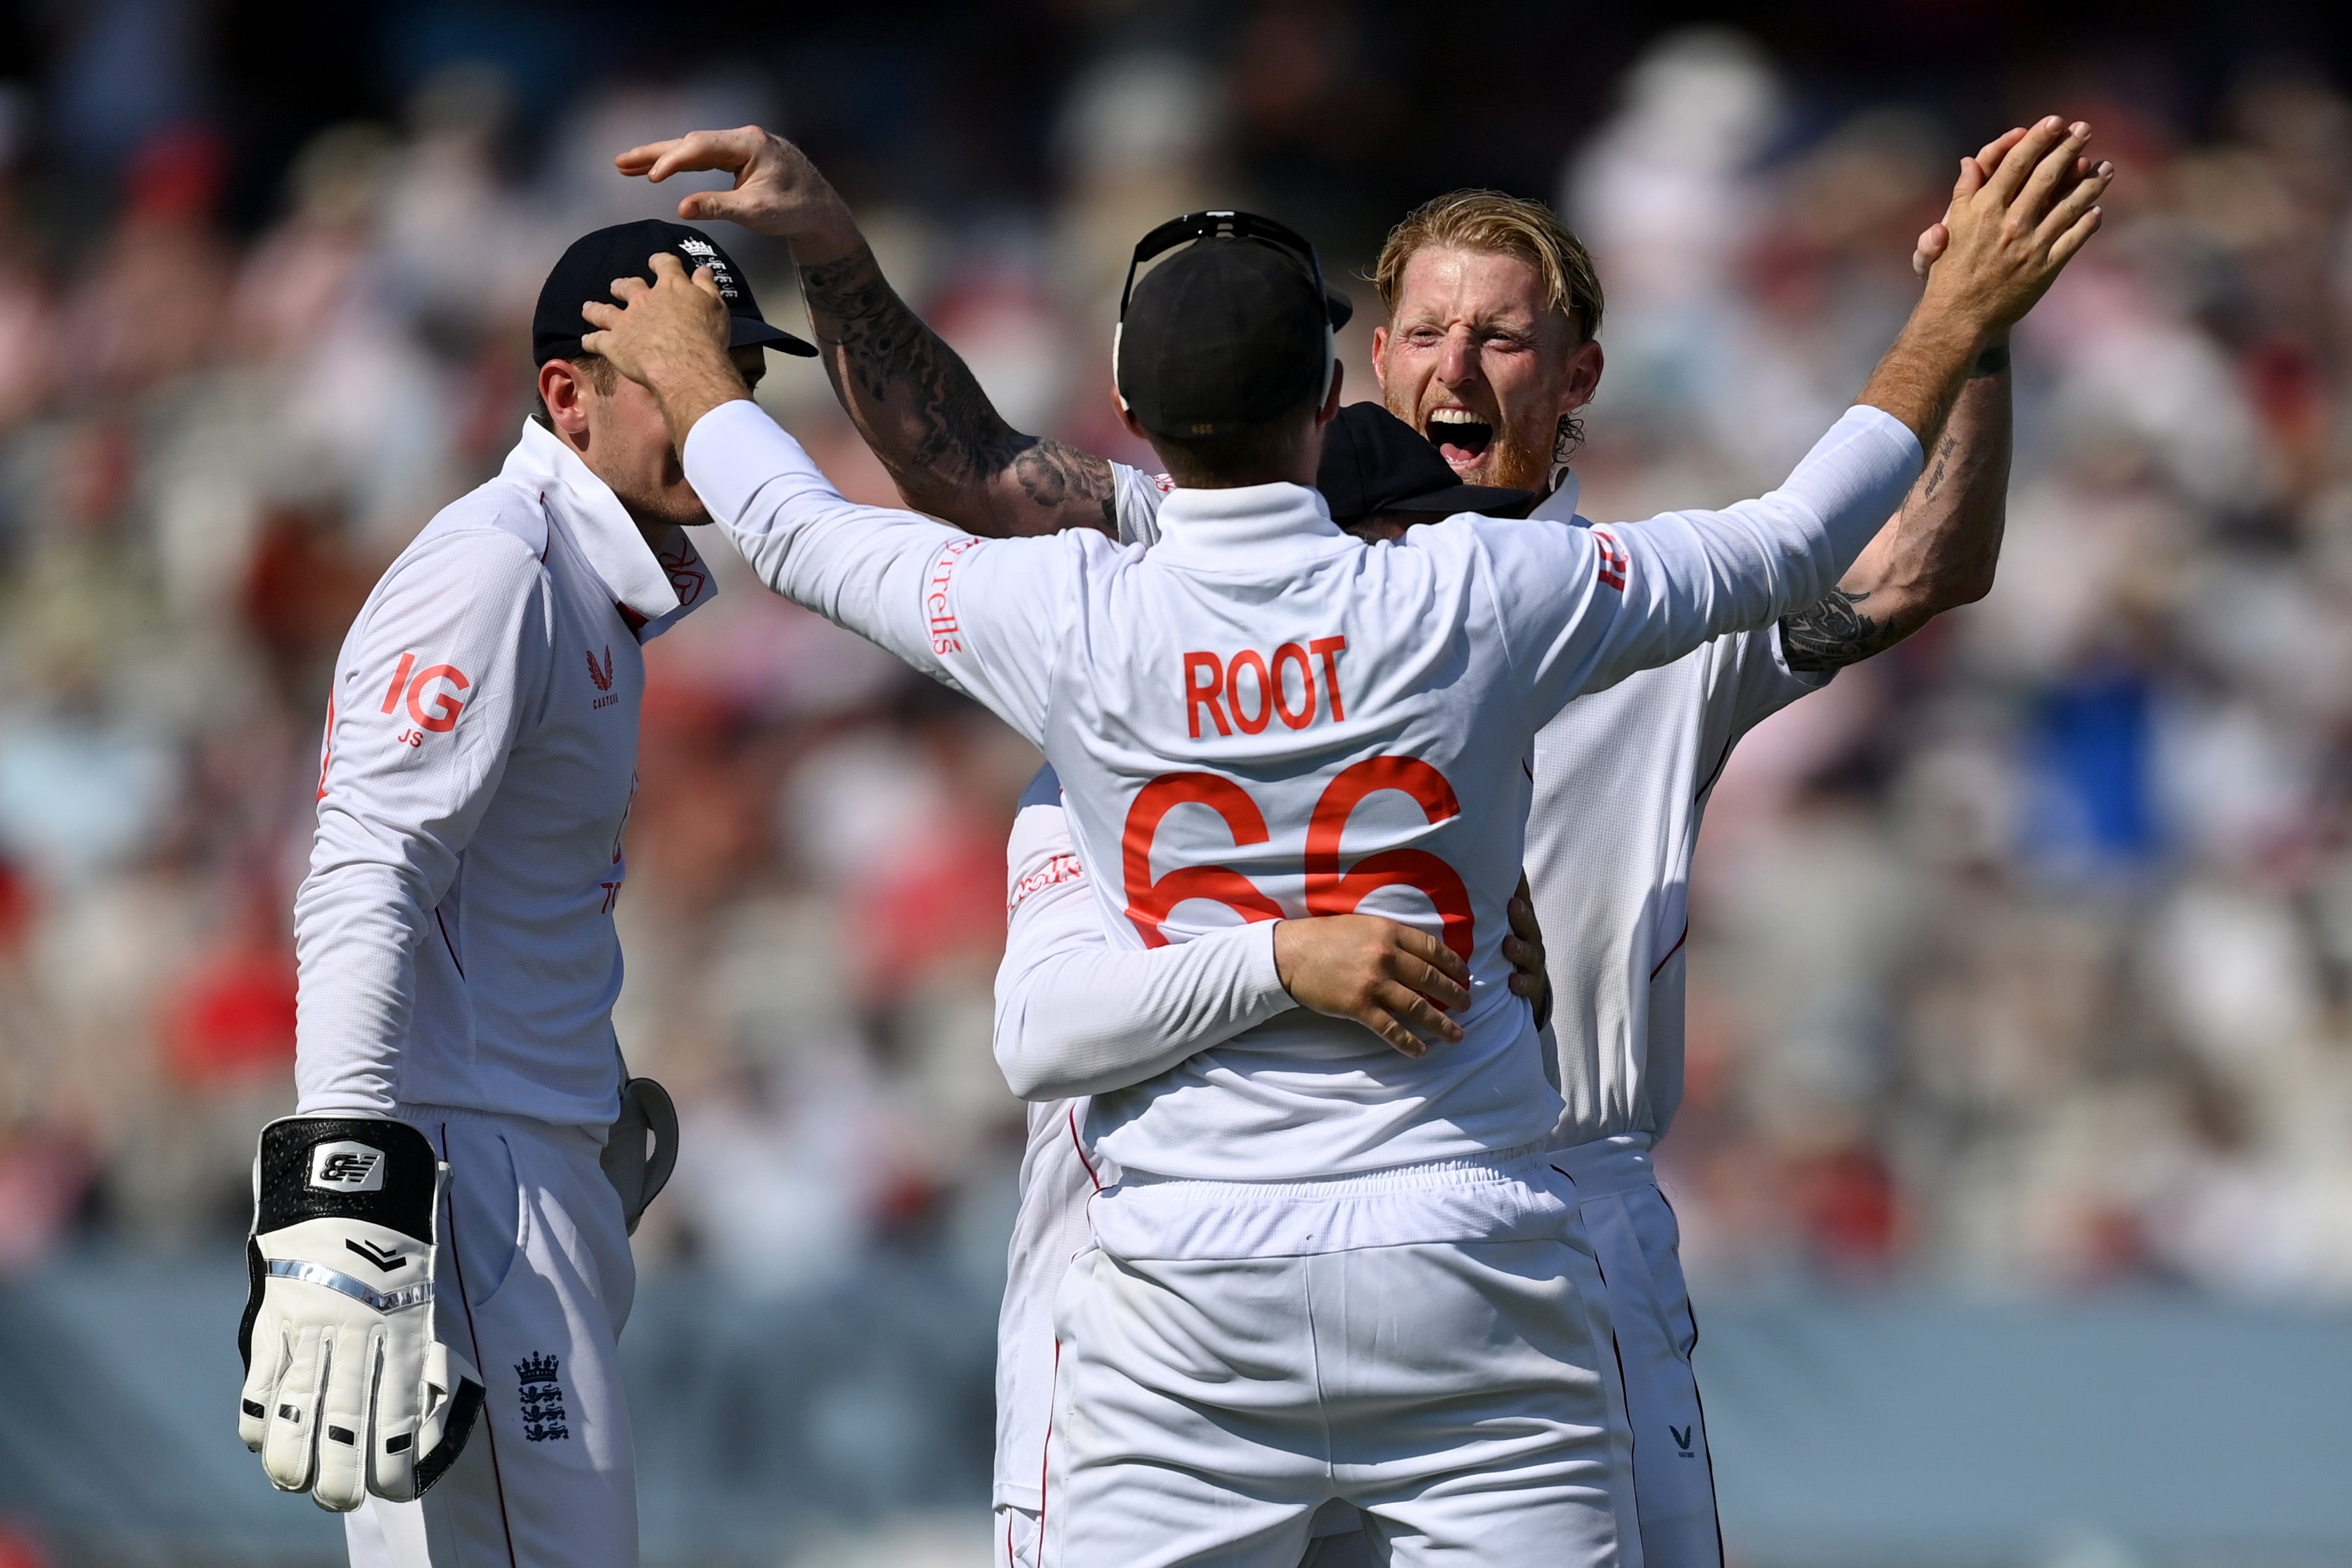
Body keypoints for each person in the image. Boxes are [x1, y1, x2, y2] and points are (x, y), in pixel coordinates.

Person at [581, 116, 2094, 1566]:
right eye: (1422, 330)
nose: (1451, 365)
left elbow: (1911, 568)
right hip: (1387, 1218)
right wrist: (1950, 309)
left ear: (1579, 377)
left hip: (1490, 1197)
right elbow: (1798, 529)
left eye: (1499, 337)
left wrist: (1981, 332)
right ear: (1347, 374)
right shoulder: (1489, 593)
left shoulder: (1444, 587)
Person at [234, 220, 814, 1568]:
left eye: (736, 373)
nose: (724, 411)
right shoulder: (498, 564)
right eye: (680, 377)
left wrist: (578, 1086)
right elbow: (365, 871)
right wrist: (347, 1199)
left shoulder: (576, 578)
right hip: (463, 1179)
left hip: (522, 1158)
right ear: (569, 394)